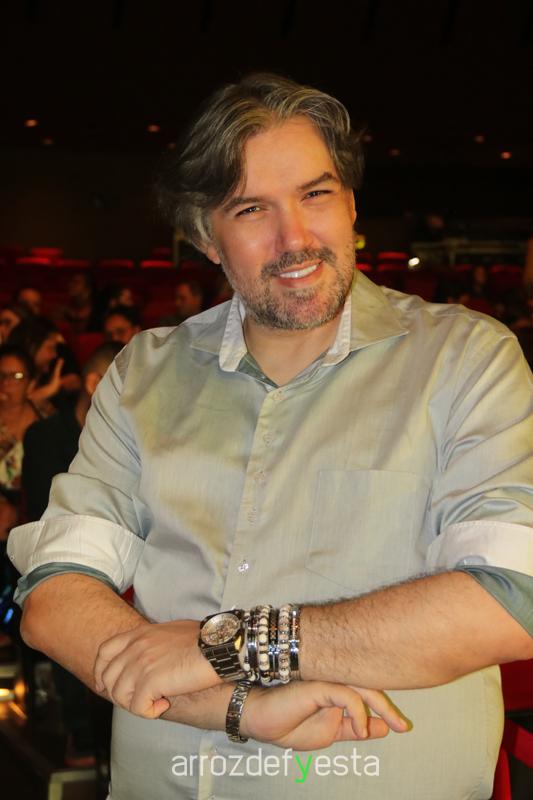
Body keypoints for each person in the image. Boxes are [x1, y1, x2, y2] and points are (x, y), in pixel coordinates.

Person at [7, 74, 533, 800]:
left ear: (351, 204)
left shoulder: (467, 359)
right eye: (252, 208)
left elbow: (511, 601)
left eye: (316, 194)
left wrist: (232, 645)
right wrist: (236, 703)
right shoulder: (142, 374)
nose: (296, 239)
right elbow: (55, 593)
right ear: (204, 235)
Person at [22, 342, 122, 768]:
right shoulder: (46, 435)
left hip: (120, 553)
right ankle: (80, 733)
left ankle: (109, 742)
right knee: (66, 604)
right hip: (60, 549)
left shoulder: (133, 434)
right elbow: (42, 510)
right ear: (94, 383)